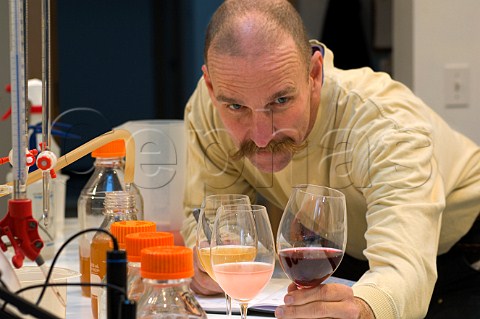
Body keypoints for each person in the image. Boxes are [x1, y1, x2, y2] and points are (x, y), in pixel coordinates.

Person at [180, 0, 480, 318]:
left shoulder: (386, 125)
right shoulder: (208, 107)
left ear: (314, 73)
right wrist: (204, 263)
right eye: (236, 107)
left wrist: (365, 307)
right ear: (212, 88)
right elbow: (208, 224)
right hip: (347, 255)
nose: (261, 136)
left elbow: (405, 267)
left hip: (460, 256)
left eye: (280, 100)